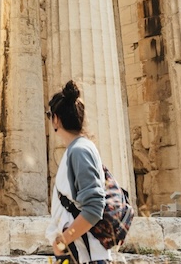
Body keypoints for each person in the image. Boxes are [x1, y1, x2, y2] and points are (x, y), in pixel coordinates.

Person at [46, 80, 109, 264]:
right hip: (78, 255)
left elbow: (94, 207)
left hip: (87, 257)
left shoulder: (80, 151)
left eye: (49, 115)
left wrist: (62, 241)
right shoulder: (76, 150)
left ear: (56, 119)